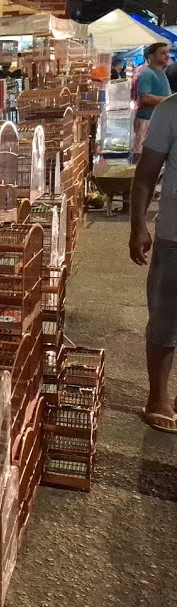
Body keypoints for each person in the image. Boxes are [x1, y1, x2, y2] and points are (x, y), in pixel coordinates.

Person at [130, 92, 177, 433]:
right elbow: (146, 173)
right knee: (165, 318)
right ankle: (157, 397)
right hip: (175, 235)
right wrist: (138, 226)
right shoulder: (170, 109)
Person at [134, 42, 172, 159]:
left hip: (157, 121)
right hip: (147, 121)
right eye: (162, 53)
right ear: (151, 57)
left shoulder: (160, 72)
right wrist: (170, 100)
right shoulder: (147, 73)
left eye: (167, 53)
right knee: (143, 157)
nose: (167, 56)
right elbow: (144, 97)